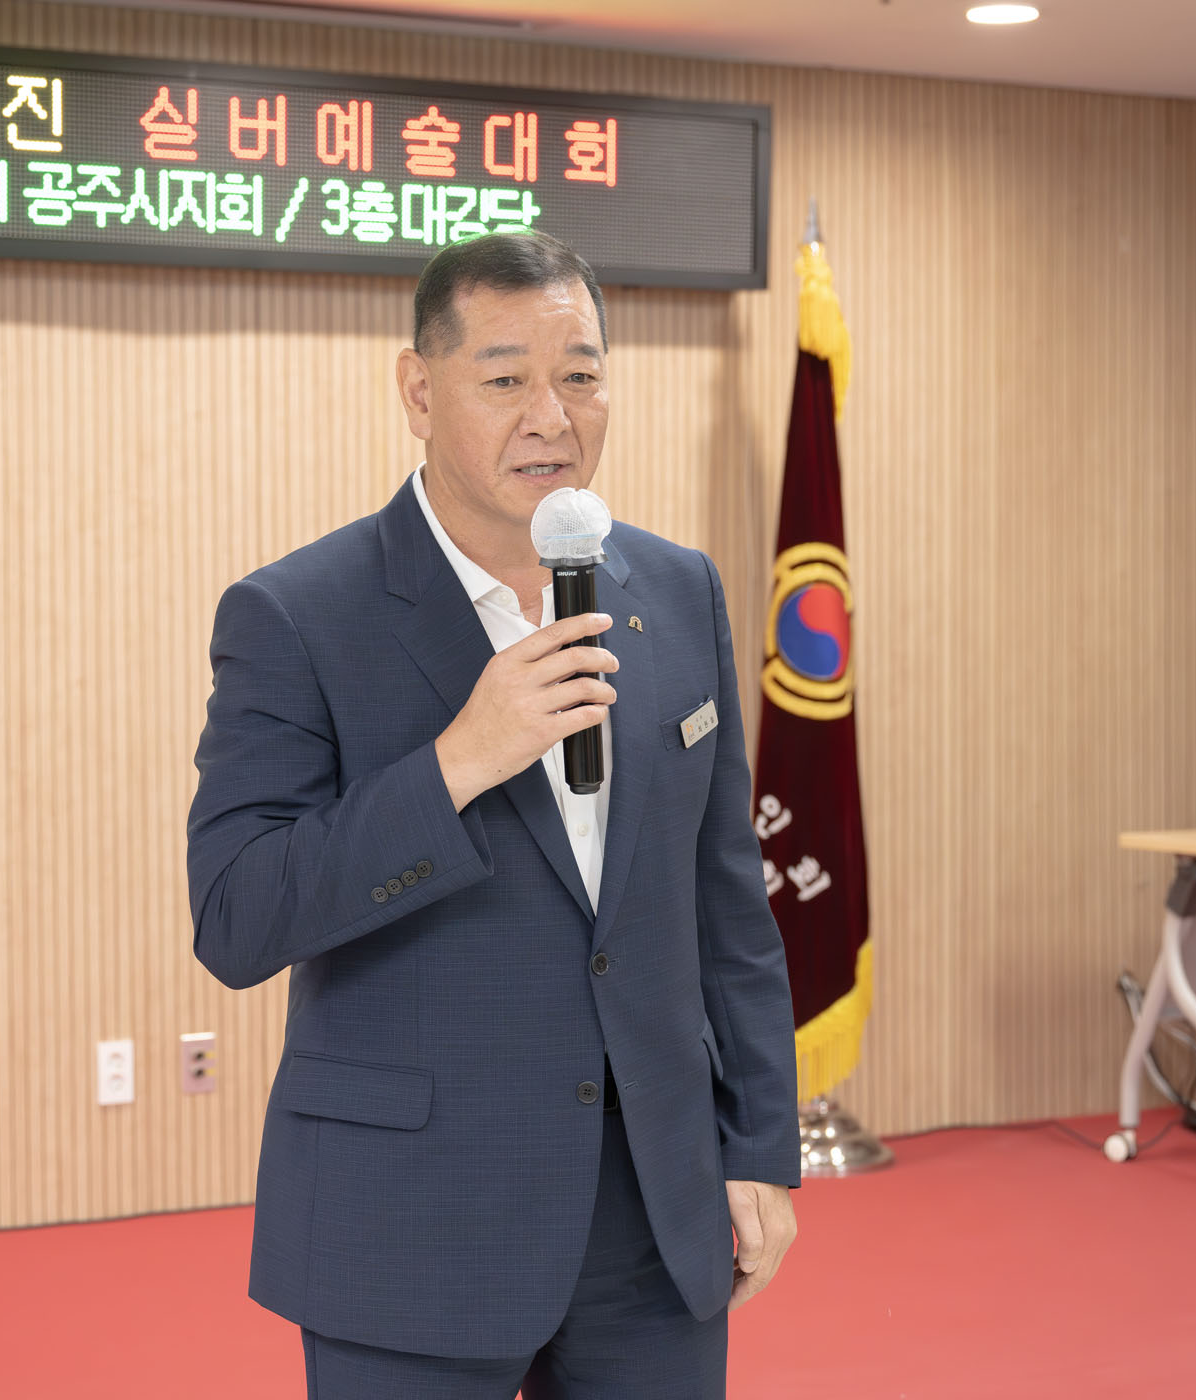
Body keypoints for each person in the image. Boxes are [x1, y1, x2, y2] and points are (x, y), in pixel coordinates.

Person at [186, 231, 801, 1397]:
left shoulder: (678, 591)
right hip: (413, 1218)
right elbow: (237, 916)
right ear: (420, 392)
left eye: (580, 374)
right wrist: (457, 763)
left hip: (654, 1212)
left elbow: (727, 900)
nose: (551, 417)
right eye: (506, 377)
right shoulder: (298, 613)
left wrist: (759, 1142)